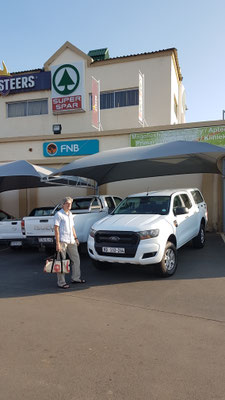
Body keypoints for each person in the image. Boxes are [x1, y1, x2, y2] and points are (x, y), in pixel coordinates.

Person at [54, 196, 86, 289]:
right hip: (62, 241)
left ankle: (76, 278)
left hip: (71, 240)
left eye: (70, 203)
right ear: (63, 204)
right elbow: (56, 229)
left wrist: (76, 238)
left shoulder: (70, 214)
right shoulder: (59, 214)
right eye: (67, 203)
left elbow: (72, 227)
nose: (69, 205)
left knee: (76, 259)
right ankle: (61, 282)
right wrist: (57, 243)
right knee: (61, 262)